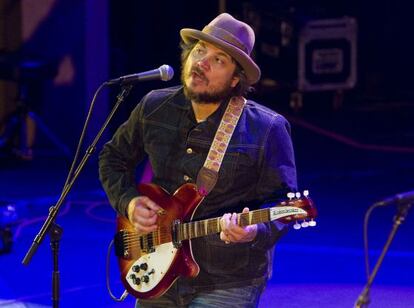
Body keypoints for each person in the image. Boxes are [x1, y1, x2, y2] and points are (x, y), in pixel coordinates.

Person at [99, 13, 297, 307]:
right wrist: (129, 202)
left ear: (235, 79)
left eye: (219, 59)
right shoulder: (155, 106)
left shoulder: (267, 128)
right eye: (200, 50)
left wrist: (254, 231)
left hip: (229, 278)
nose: (202, 62)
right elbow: (112, 157)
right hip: (157, 264)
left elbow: (285, 203)